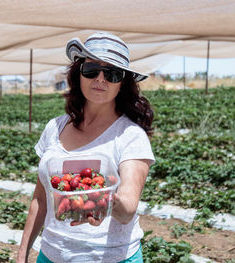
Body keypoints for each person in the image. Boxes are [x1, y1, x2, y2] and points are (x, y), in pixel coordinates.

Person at [17, 32, 155, 263]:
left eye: (112, 73)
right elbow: (41, 199)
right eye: (91, 69)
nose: (100, 79)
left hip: (111, 258)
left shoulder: (130, 136)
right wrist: (22, 256)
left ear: (122, 83)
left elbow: (128, 208)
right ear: (78, 73)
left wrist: (104, 200)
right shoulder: (55, 128)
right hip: (51, 254)